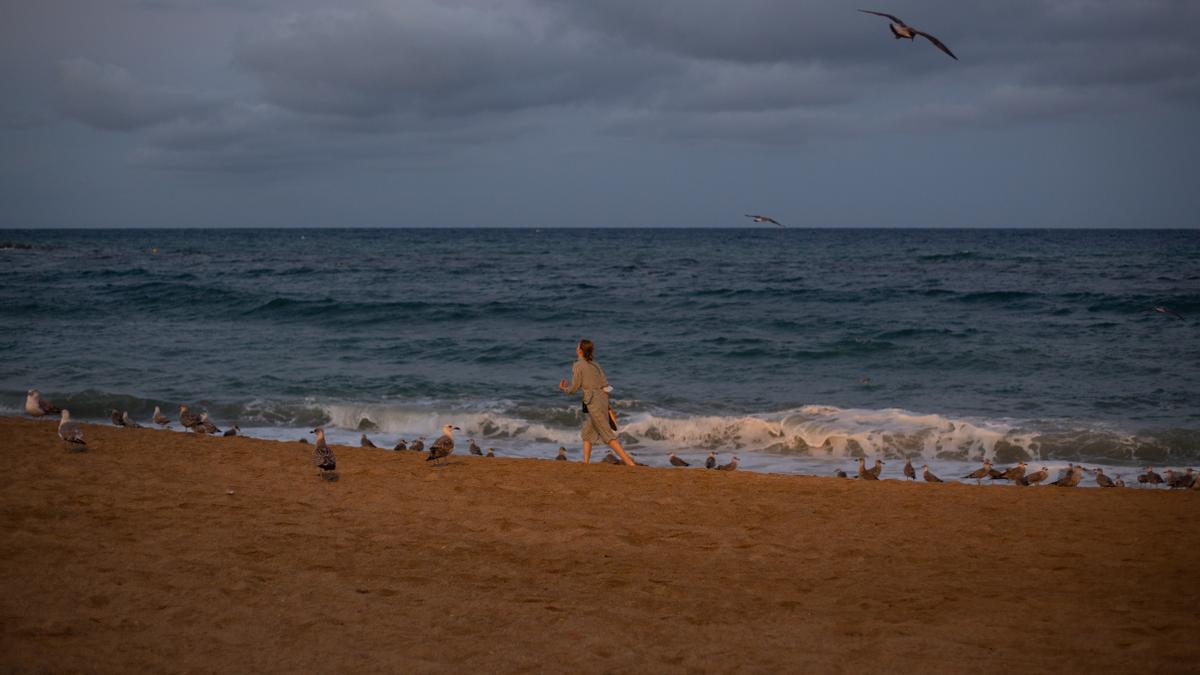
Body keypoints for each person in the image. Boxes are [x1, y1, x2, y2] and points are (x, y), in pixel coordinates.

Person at [558, 339, 635, 466]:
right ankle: (586, 463)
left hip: (593, 402)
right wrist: (608, 406)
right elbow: (606, 386)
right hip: (602, 400)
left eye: (577, 346)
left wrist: (563, 389)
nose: (576, 348)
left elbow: (574, 388)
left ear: (580, 350)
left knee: (607, 435)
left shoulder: (578, 365)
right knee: (587, 433)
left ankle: (629, 463)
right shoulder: (596, 364)